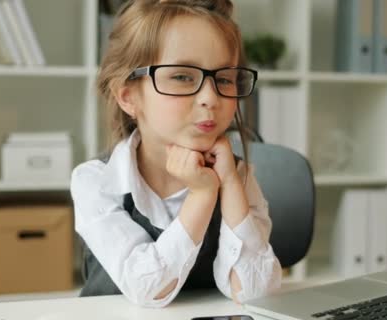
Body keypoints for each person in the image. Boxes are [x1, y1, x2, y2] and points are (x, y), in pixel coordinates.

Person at [70, 0, 282, 308]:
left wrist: (231, 184)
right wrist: (202, 194)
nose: (210, 98)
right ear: (128, 96)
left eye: (224, 79)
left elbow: (253, 293)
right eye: (182, 77)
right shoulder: (96, 182)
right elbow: (148, 289)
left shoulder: (237, 175)